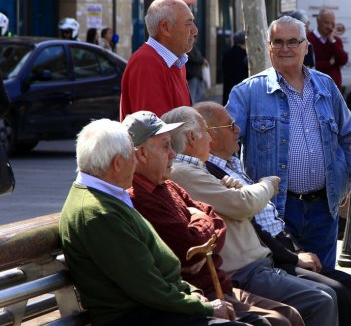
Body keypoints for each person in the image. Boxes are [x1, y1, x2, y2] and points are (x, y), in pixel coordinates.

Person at [126, 109, 337, 326]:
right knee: (313, 304)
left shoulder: (167, 183)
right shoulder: (161, 184)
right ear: (141, 154)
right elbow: (195, 246)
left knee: (305, 308)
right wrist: (266, 185)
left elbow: (214, 222)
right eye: (165, 146)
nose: (172, 153)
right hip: (222, 282)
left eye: (170, 145)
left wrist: (202, 219)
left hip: (225, 280)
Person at [194, 101, 351, 326]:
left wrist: (295, 251)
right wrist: (293, 256)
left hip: (278, 251)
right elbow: (249, 216)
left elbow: (347, 135)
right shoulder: (207, 172)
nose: (237, 130)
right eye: (231, 125)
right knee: (330, 296)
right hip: (261, 262)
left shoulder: (230, 164)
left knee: (349, 287)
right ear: (210, 136)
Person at [59, 119, 246, 326]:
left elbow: (153, 277)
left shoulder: (108, 197)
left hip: (156, 310)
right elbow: (147, 287)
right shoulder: (98, 213)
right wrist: (203, 306)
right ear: (118, 164)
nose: (136, 163)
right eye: (132, 156)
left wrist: (193, 294)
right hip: (139, 317)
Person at [226, 16, 351, 270]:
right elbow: (222, 144)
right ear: (269, 47)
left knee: (329, 285)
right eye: (278, 42)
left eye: (292, 42)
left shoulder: (326, 86)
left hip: (323, 208)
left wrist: (344, 182)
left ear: (306, 46)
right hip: (275, 211)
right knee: (287, 286)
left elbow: (347, 135)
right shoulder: (248, 92)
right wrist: (240, 191)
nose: (285, 48)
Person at [119, 0, 197, 120]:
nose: (195, 30)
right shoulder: (146, 63)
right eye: (188, 23)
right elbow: (156, 134)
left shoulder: (175, 62)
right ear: (165, 28)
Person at [306, 8, 348, 91]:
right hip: (315, 87)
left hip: (333, 88)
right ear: (318, 21)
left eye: (332, 24)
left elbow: (343, 60)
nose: (330, 27)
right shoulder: (309, 39)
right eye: (326, 22)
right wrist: (329, 63)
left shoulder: (336, 40)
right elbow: (311, 66)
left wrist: (332, 42)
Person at [221, 31, 248, 105]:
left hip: (228, 88)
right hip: (242, 89)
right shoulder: (246, 56)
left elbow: (223, 69)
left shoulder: (227, 53)